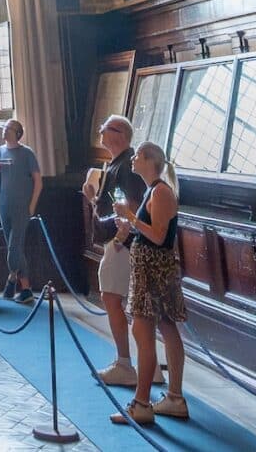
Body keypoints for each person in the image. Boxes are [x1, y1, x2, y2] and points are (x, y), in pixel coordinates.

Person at [117, 140, 189, 425]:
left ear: (148, 160)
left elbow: (159, 237)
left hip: (154, 275)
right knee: (165, 329)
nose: (132, 158)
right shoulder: (152, 191)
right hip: (150, 271)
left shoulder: (161, 192)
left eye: (136, 155)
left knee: (144, 336)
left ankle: (142, 403)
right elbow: (149, 233)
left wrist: (131, 217)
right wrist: (130, 224)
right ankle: (173, 397)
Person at [89, 114, 144, 385]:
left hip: (122, 243)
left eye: (105, 128)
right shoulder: (117, 164)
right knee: (122, 300)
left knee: (111, 297)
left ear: (119, 134)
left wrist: (120, 237)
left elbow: (130, 207)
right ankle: (146, 365)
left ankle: (125, 363)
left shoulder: (126, 166)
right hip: (118, 240)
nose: (101, 131)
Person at [0, 115, 41, 303]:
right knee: (15, 248)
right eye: (5, 126)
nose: (5, 130)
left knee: (13, 249)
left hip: (22, 206)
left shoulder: (27, 153)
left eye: (9, 128)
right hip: (4, 204)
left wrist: (31, 206)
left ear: (17, 133)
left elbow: (38, 181)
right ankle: (25, 288)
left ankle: (13, 279)